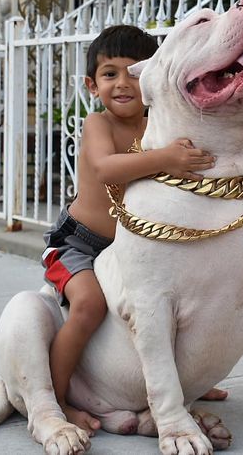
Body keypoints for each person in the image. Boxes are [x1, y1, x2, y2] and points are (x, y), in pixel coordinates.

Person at [42, 25, 227, 436]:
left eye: (135, 73)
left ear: (155, 78)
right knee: (88, 306)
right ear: (92, 84)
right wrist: (164, 157)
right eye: (110, 74)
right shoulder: (98, 125)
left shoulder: (159, 126)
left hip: (134, 244)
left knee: (176, 305)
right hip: (79, 244)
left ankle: (188, 382)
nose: (123, 84)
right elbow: (105, 167)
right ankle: (55, 399)